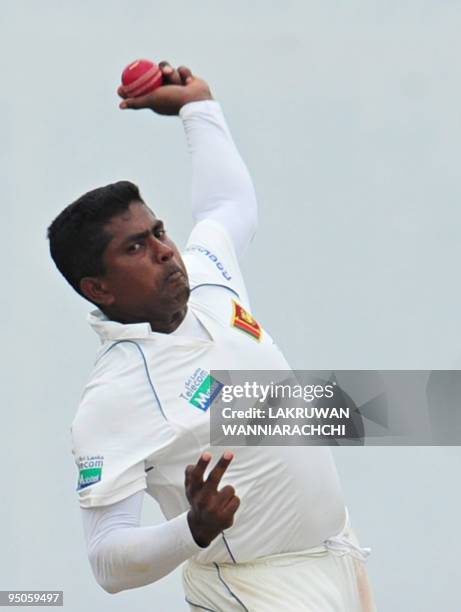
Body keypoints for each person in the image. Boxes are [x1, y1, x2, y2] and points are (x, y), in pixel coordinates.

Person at [47, 61, 377, 611]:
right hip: (254, 589)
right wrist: (192, 528)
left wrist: (198, 108)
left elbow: (229, 206)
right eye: (135, 248)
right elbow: (106, 560)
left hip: (337, 559)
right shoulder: (114, 397)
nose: (164, 250)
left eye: (158, 232)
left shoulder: (206, 278)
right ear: (98, 288)